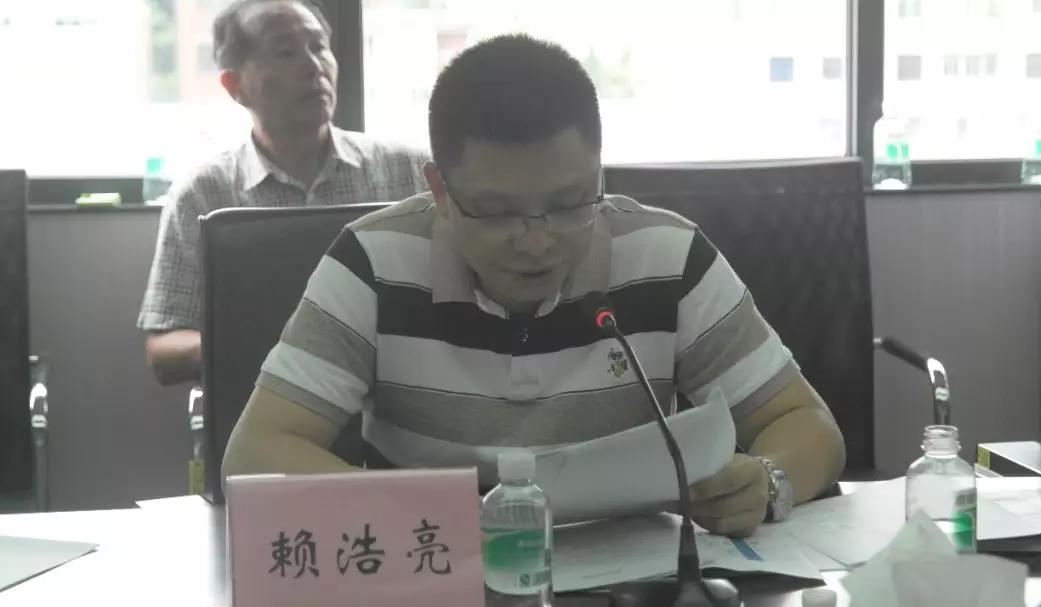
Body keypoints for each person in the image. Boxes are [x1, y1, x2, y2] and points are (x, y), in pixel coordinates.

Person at [222, 34, 845, 537]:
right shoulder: (373, 261)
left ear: (598, 174)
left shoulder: (667, 255)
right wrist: (441, 520)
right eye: (497, 212)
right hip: (438, 574)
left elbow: (807, 424)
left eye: (571, 203)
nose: (537, 241)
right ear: (440, 191)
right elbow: (257, 451)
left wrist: (768, 480)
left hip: (634, 578)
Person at [137, 0, 429, 386]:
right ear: (235, 86)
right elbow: (164, 352)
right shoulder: (203, 193)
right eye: (286, 52)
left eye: (319, 46)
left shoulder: (410, 171)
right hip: (263, 404)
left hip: (398, 401)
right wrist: (278, 344)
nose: (313, 66)